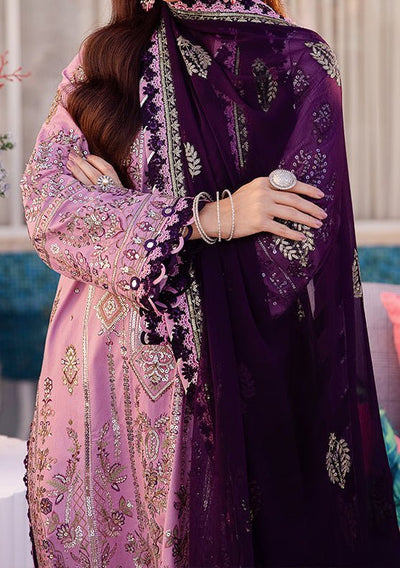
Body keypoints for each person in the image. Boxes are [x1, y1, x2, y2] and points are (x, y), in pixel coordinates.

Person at [21, 0, 400, 566]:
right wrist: (208, 220)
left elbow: (296, 248)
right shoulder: (105, 56)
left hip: (206, 397)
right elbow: (47, 203)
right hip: (89, 389)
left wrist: (114, 209)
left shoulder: (296, 62)